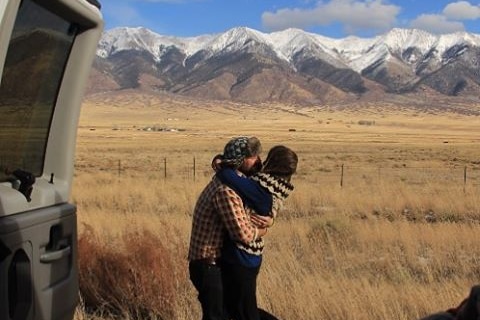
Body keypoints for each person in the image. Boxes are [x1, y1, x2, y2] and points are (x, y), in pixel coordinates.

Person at [187, 136, 269, 320]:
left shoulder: (231, 182)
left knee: (234, 311)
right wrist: (264, 229)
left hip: (213, 264)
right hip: (208, 265)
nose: (256, 159)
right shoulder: (226, 191)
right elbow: (244, 234)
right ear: (240, 161)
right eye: (252, 156)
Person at [215, 145, 298, 320]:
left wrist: (220, 162)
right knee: (234, 307)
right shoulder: (279, 185)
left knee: (245, 311)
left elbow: (229, 177)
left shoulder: (261, 187)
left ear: (272, 161)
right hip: (251, 255)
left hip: (243, 255)